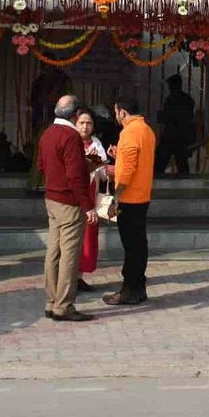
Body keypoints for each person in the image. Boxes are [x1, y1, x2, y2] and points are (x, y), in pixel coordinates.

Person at [38, 95, 97, 321]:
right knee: (69, 255)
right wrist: (87, 206)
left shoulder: (47, 133)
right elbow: (74, 176)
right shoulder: (70, 136)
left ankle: (51, 301)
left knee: (53, 251)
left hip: (52, 198)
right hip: (69, 201)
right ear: (74, 115)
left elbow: (41, 166)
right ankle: (64, 305)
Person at [104, 95, 156, 306]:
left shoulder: (129, 132)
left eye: (116, 112)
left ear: (122, 112)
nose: (115, 116)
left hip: (129, 197)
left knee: (132, 246)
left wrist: (116, 197)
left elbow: (127, 171)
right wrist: (120, 157)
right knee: (138, 244)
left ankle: (130, 289)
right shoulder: (146, 130)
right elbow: (135, 160)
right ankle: (138, 288)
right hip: (142, 195)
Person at [76, 109, 108, 291]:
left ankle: (78, 277)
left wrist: (102, 165)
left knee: (87, 238)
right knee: (72, 239)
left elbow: (103, 175)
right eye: (81, 122)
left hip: (91, 198)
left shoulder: (96, 143)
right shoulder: (70, 141)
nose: (85, 126)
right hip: (73, 198)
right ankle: (67, 279)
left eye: (88, 123)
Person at [154, 75, 196, 178]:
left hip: (171, 135)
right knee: (182, 163)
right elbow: (191, 118)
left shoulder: (171, 99)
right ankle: (185, 182)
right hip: (183, 135)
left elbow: (166, 117)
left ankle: (156, 180)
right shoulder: (188, 100)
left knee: (160, 163)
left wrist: (160, 116)